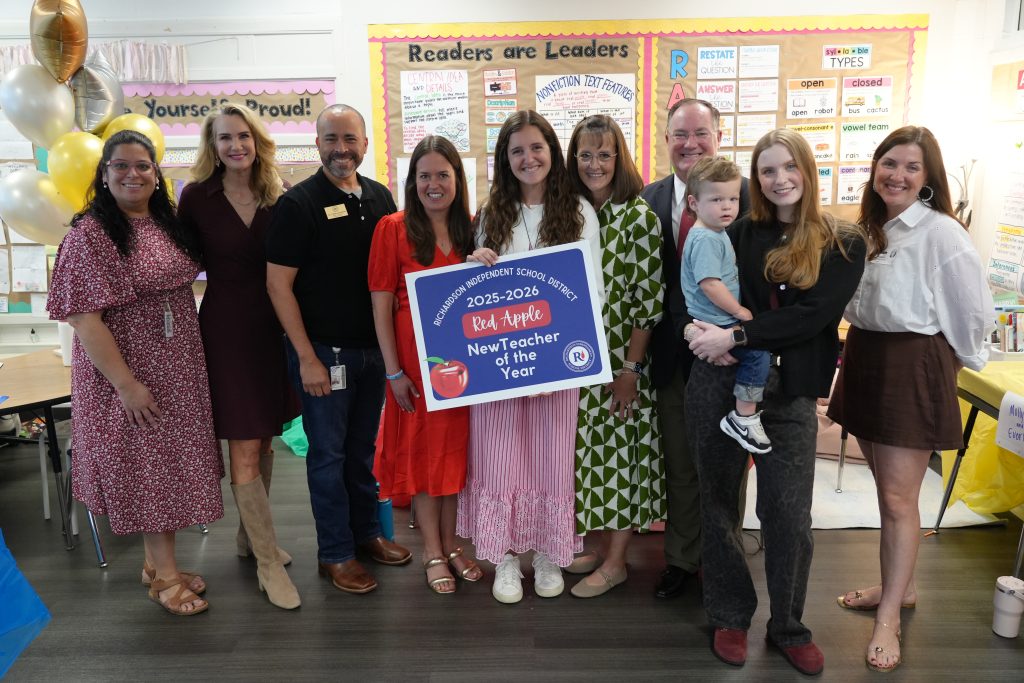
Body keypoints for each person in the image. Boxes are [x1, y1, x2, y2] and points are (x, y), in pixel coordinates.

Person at [687, 128, 865, 675]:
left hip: (788, 395)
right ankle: (729, 615)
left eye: (788, 167)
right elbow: (696, 284)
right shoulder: (738, 230)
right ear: (754, 178)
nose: (779, 178)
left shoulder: (844, 240)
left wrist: (735, 337)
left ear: (807, 170)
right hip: (719, 383)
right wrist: (695, 334)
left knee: (788, 513)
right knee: (718, 504)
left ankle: (788, 625)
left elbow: (811, 317)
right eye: (767, 170)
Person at [827, 126, 993, 673]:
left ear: (928, 178)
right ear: (874, 168)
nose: (896, 175)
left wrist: (950, 364)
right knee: (887, 491)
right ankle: (903, 587)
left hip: (911, 363)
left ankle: (888, 619)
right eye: (889, 163)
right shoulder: (869, 228)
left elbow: (972, 313)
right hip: (867, 356)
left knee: (900, 501)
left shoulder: (942, 232)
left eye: (911, 167)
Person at [48, 130, 224, 616]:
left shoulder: (166, 224)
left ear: (156, 174)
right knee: (148, 468)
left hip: (175, 367)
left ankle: (156, 564)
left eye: (143, 166)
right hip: (126, 373)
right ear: (103, 175)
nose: (133, 174)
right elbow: (85, 319)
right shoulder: (90, 235)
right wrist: (126, 385)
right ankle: (166, 577)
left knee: (165, 464)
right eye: (120, 166)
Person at [266, 104, 410, 595]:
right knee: (326, 455)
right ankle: (336, 553)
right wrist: (306, 357)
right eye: (331, 139)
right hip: (325, 355)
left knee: (362, 451)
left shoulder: (380, 196)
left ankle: (367, 534)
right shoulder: (299, 205)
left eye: (350, 139)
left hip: (374, 354)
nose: (341, 148)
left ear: (365, 144)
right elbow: (279, 287)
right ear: (318, 144)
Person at [459, 110, 601, 604]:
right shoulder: (490, 215)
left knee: (551, 459)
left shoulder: (580, 212)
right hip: (499, 366)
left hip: (558, 363)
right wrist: (473, 265)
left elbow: (592, 293)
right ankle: (503, 558)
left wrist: (564, 358)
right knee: (497, 460)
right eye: (516, 150)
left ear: (551, 152)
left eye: (536, 147)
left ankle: (546, 553)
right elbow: (476, 294)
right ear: (505, 159)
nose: (528, 158)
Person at [178, 102, 301, 610]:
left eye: (244, 137)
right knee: (245, 445)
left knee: (266, 435)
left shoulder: (279, 195)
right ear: (212, 146)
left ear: (257, 142)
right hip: (226, 328)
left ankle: (252, 540)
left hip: (274, 327)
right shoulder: (196, 199)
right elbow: (178, 271)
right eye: (225, 138)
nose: (235, 146)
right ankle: (269, 564)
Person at [640, 98, 750, 599]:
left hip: (732, 356)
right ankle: (683, 559)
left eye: (701, 133)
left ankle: (723, 558)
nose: (690, 143)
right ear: (666, 141)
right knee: (681, 465)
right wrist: (687, 330)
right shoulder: (647, 199)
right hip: (672, 356)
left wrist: (738, 336)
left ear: (719, 137)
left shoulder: (748, 197)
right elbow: (650, 284)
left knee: (727, 464)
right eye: (680, 134)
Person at [368, 135, 482, 594]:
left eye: (443, 175)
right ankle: (433, 550)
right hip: (413, 370)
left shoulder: (473, 229)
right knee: (421, 458)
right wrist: (392, 372)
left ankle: (454, 544)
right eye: (424, 176)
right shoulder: (391, 229)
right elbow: (379, 306)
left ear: (458, 180)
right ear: (411, 181)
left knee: (454, 458)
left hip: (461, 370)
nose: (433, 184)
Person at [563, 114, 665, 598]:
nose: (595, 163)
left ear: (620, 157)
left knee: (621, 459)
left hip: (622, 365)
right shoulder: (571, 213)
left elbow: (649, 305)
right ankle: (601, 549)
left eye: (604, 154)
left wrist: (630, 370)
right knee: (587, 460)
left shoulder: (637, 216)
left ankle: (619, 561)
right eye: (585, 154)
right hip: (576, 364)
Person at [681, 157, 771, 455]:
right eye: (717, 199)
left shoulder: (713, 232)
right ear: (694, 202)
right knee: (757, 355)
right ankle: (744, 416)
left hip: (713, 318)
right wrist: (739, 312)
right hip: (716, 319)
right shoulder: (707, 238)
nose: (727, 206)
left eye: (733, 198)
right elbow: (710, 284)